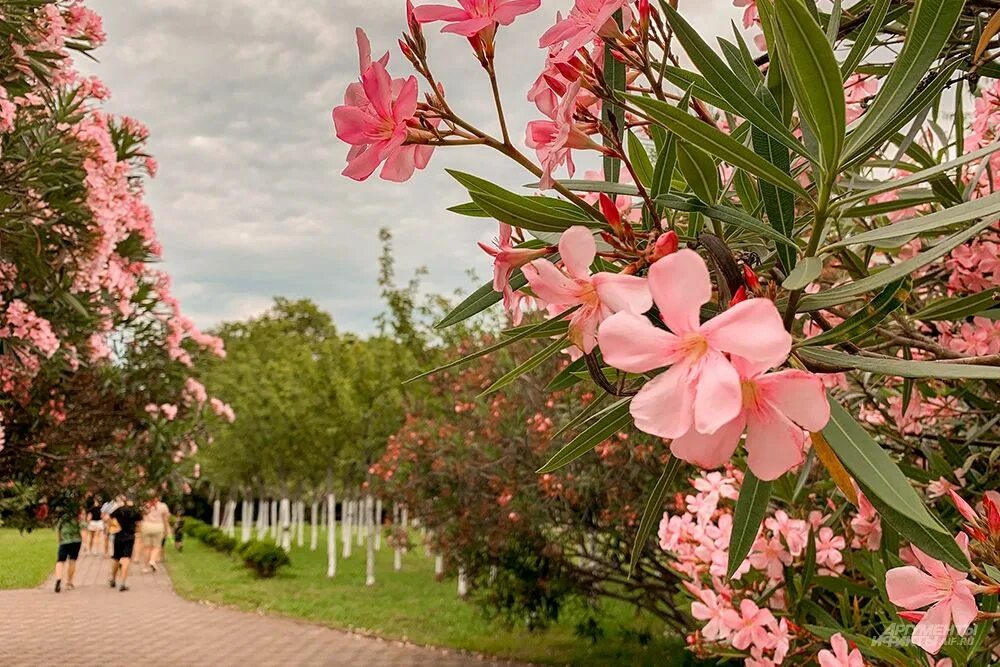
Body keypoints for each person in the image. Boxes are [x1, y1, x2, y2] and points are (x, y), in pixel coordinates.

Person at [109, 497, 142, 591]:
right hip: (130, 536)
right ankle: (123, 582)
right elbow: (139, 524)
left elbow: (108, 518)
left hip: (118, 536)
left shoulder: (119, 510)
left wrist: (114, 526)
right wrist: (139, 533)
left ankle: (113, 579)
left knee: (116, 558)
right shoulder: (135, 511)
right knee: (126, 558)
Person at [54, 508, 83, 593]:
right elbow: (82, 527)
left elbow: (58, 529)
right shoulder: (77, 517)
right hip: (76, 541)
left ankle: (58, 578)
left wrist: (60, 539)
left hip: (64, 541)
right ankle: (69, 582)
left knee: (60, 561)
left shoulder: (63, 518)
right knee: (72, 560)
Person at [140, 496, 170, 573]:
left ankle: (145, 567)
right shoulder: (163, 506)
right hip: (158, 526)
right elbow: (165, 519)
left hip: (146, 526)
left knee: (146, 547)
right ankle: (152, 560)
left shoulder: (144, 505)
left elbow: (141, 517)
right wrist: (167, 530)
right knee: (157, 546)